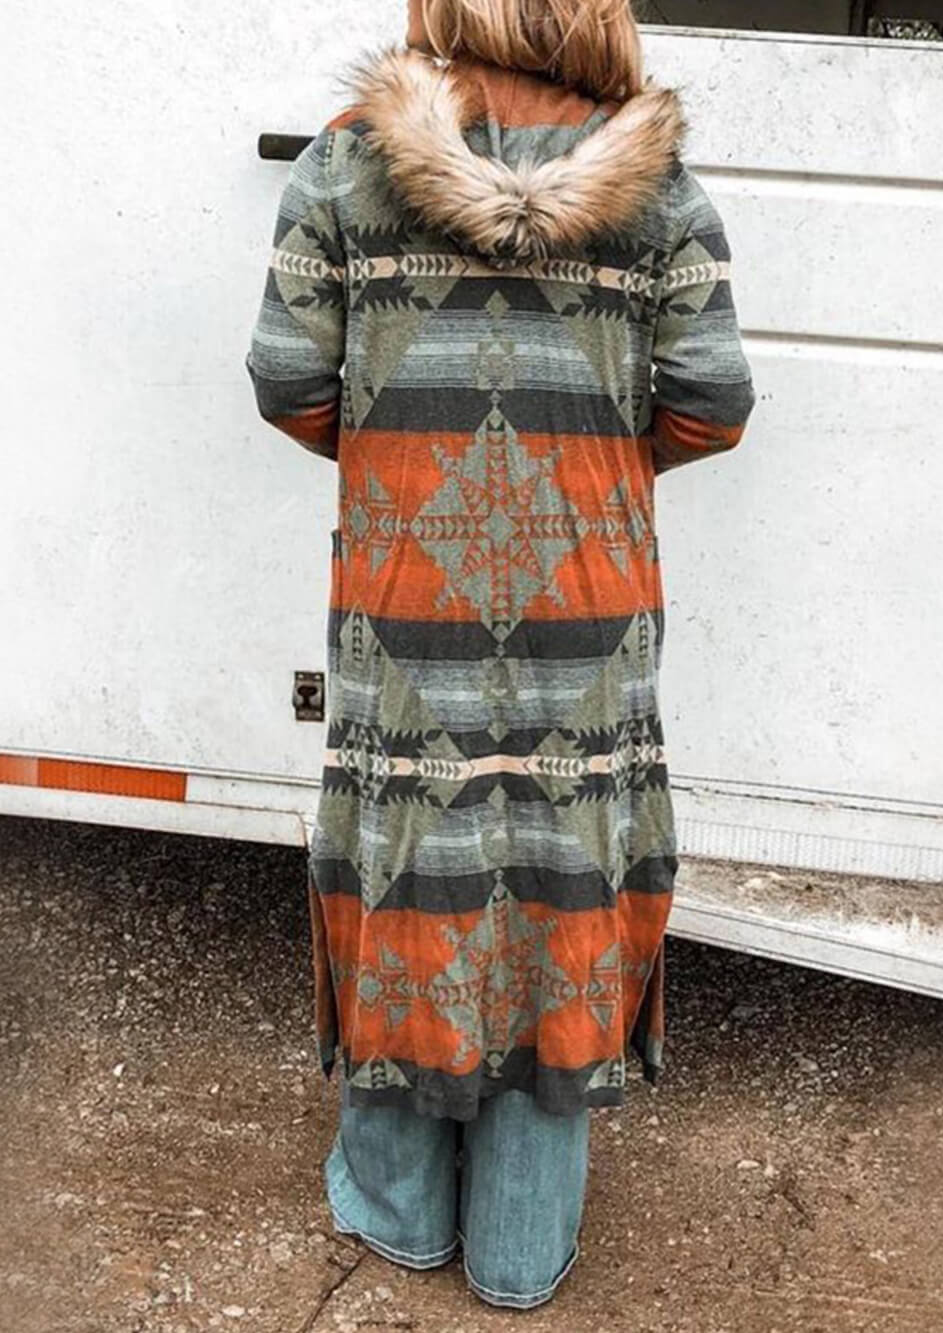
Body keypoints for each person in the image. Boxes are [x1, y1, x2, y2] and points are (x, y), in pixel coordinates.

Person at [246, 0, 755, 1309]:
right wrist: (581, 474)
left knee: (403, 867)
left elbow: (287, 379)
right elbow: (712, 406)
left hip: (402, 598)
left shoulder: (347, 166)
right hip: (590, 607)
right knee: (562, 879)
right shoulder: (660, 188)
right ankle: (523, 1242)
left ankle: (401, 1207)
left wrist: (405, 463)